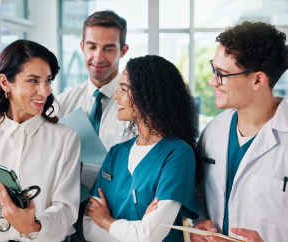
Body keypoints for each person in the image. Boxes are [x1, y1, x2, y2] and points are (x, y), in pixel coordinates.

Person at [191, 21, 288, 242]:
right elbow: (200, 192)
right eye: (213, 69)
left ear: (257, 79)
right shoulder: (212, 132)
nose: (212, 81)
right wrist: (200, 223)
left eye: (221, 74)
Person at [0, 40, 81, 242]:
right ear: (5, 82)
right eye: (33, 81)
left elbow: (66, 209)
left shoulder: (65, 138)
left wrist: (32, 226)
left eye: (48, 80)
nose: (45, 91)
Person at [55, 10, 160, 242]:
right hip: (66, 213)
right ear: (82, 46)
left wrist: (80, 170)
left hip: (119, 215)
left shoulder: (137, 106)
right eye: (92, 46)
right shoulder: (62, 103)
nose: (98, 56)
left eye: (109, 48)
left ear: (123, 50)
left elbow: (141, 166)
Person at [83, 55, 202, 242]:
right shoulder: (115, 153)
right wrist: (134, 232)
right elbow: (89, 229)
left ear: (149, 95)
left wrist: (106, 221)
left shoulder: (178, 154)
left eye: (124, 89)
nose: (116, 95)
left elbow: (149, 235)